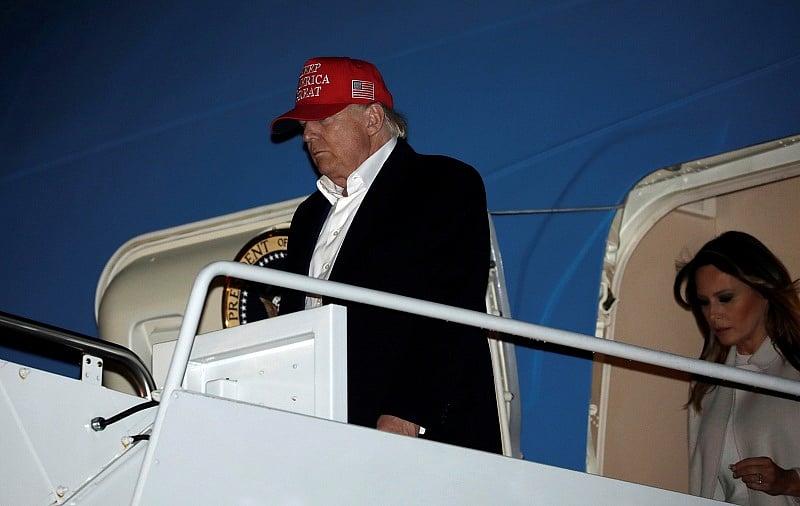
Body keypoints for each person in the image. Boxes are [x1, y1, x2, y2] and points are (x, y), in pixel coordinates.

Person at [270, 57, 501, 453]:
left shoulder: (443, 184)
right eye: (305, 125)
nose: (308, 134)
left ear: (373, 118)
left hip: (418, 438)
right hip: (320, 437)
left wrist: (406, 414)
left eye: (323, 119)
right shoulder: (308, 216)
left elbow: (453, 306)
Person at [673, 230, 800, 504]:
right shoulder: (706, 387)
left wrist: (791, 481)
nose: (713, 314)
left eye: (726, 298)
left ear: (764, 291)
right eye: (704, 302)